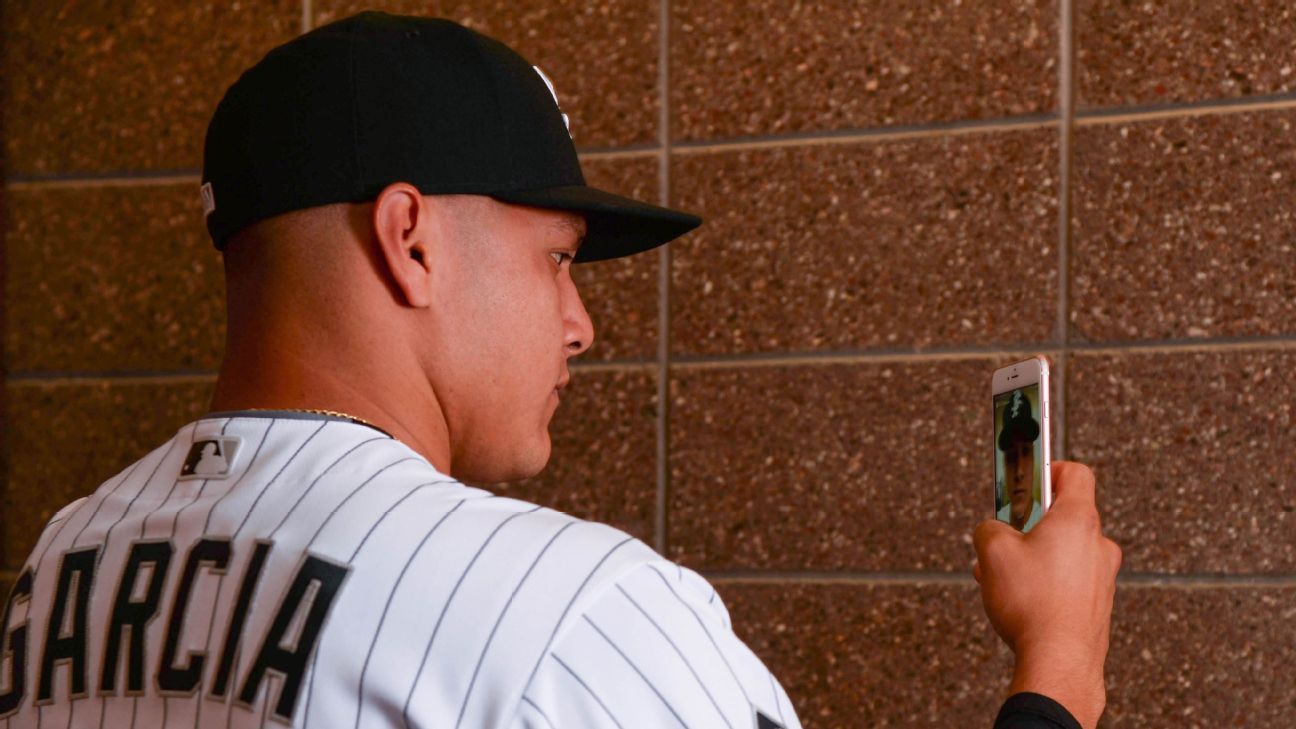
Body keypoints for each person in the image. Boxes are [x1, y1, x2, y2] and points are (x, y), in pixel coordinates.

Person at [0, 11, 1121, 729]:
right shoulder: (567, 610)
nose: (579, 325)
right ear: (412, 241)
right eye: (557, 261)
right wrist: (1059, 661)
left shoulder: (61, 566)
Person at [996, 389, 1044, 531]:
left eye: (1026, 452)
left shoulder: (1046, 524)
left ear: (1034, 458)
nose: (1019, 472)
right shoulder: (997, 524)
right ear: (1004, 464)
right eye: (1011, 457)